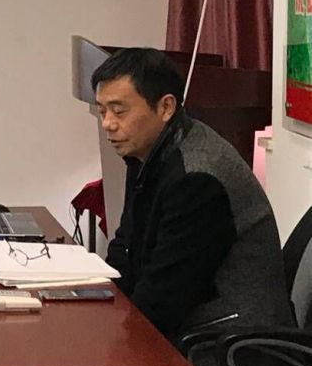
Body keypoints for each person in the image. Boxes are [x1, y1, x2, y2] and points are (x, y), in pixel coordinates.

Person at [90, 47, 293, 338]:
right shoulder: (147, 151)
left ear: (165, 107)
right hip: (190, 325)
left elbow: (163, 302)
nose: (107, 123)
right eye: (102, 111)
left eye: (119, 111)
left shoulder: (198, 179)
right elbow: (126, 248)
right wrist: (98, 300)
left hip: (228, 343)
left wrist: (106, 329)